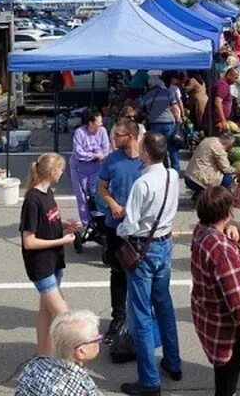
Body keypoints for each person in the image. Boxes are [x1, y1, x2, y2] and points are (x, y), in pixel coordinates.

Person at [118, 132, 182, 396]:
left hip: (143, 247)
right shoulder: (172, 175)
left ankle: (149, 379)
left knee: (142, 314)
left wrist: (121, 227)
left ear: (145, 153)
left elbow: (130, 223)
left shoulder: (142, 183)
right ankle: (173, 362)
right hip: (164, 243)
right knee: (164, 305)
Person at [190, 186, 240, 396]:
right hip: (226, 327)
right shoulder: (222, 252)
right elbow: (236, 299)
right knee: (227, 383)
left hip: (209, 318)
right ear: (227, 212)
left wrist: (230, 229)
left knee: (223, 377)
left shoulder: (202, 232)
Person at [22, 153, 80, 356]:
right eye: (61, 170)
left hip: (53, 262)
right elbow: (29, 241)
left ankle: (43, 355)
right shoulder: (32, 199)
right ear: (53, 171)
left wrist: (65, 225)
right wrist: (62, 241)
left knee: (46, 312)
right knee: (64, 317)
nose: (62, 174)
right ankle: (70, 359)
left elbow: (47, 223)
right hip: (41, 266)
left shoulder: (48, 194)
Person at [97, 119, 143, 343]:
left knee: (140, 274)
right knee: (117, 273)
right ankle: (118, 317)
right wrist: (113, 205)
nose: (113, 139)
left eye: (118, 135)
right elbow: (101, 188)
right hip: (115, 226)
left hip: (139, 230)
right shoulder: (112, 160)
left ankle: (139, 318)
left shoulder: (147, 159)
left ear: (132, 137)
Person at [15, 310, 104, 396]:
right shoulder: (80, 388)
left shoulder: (35, 365)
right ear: (81, 352)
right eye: (97, 339)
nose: (100, 340)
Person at [70, 109, 110, 226]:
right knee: (81, 197)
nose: (101, 124)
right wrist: (95, 155)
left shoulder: (102, 131)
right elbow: (78, 153)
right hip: (79, 168)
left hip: (96, 168)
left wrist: (100, 155)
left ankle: (98, 220)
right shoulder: (79, 133)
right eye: (98, 122)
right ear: (90, 123)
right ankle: (86, 222)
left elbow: (105, 150)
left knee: (96, 194)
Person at [140, 77, 182, 173]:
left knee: (158, 148)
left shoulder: (147, 96)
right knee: (172, 147)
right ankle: (176, 170)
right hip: (168, 124)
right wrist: (178, 120)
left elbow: (142, 109)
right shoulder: (167, 93)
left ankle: (162, 170)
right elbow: (175, 108)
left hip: (154, 125)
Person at [183, 132, 238, 197]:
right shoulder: (219, 149)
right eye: (229, 147)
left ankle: (200, 194)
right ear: (226, 144)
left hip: (188, 176)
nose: (229, 149)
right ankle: (217, 199)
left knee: (214, 173)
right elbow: (226, 169)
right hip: (197, 180)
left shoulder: (208, 140)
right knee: (227, 179)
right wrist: (237, 170)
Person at [207, 67, 240, 132]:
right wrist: (223, 120)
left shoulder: (223, 84)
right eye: (235, 78)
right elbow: (217, 102)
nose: (236, 80)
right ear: (229, 75)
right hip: (216, 122)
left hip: (216, 121)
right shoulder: (223, 85)